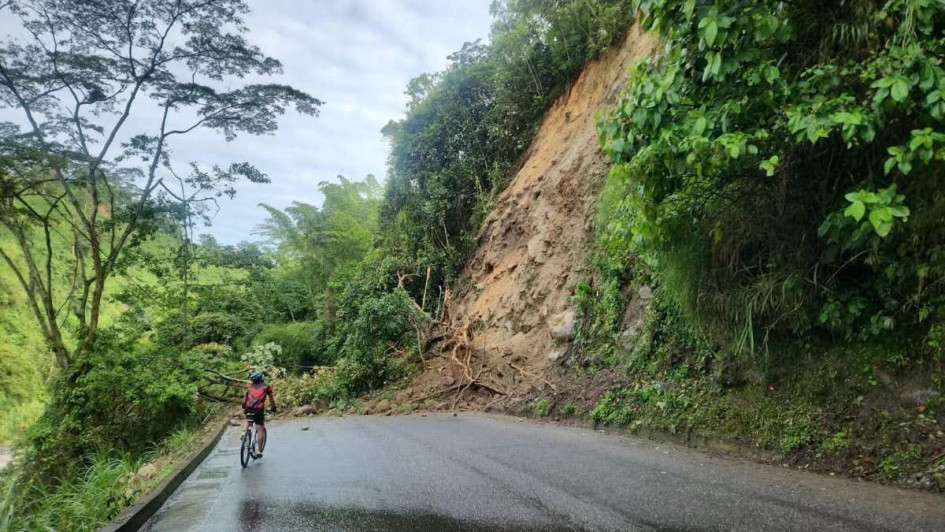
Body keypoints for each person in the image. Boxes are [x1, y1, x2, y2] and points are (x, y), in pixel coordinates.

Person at [242, 371, 277, 458]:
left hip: (248, 408)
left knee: (248, 419)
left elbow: (244, 401)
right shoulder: (266, 387)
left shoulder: (249, 388)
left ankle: (243, 433)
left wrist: (243, 407)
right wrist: (273, 408)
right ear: (262, 378)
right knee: (260, 429)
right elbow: (271, 399)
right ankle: (259, 451)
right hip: (258, 410)